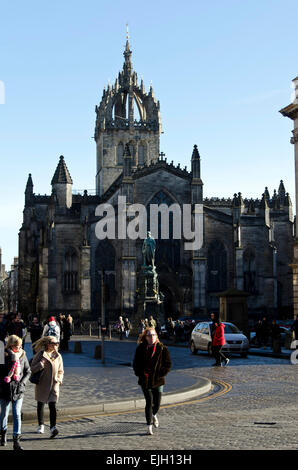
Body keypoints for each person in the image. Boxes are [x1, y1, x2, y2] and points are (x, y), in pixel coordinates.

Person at [133, 327, 172, 435]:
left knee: (157, 404)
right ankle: (149, 426)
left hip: (158, 380)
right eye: (149, 335)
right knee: (149, 401)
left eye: (153, 335)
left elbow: (168, 364)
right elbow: (135, 364)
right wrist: (139, 374)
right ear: (145, 337)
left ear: (156, 336)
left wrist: (160, 373)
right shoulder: (141, 348)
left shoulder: (162, 348)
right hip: (145, 380)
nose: (151, 337)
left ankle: (154, 415)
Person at [0, 335, 31, 450]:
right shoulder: (3, 355)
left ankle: (16, 441)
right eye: (18, 346)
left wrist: (22, 382)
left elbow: (28, 371)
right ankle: (3, 435)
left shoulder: (23, 355)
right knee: (4, 413)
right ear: (11, 346)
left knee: (17, 413)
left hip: (18, 390)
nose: (20, 348)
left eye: (21, 345)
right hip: (5, 389)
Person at [31, 336, 64, 438]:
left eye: (57, 343)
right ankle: (41, 424)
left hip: (54, 385)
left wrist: (59, 380)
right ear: (48, 344)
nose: (56, 345)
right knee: (40, 404)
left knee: (52, 406)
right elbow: (32, 368)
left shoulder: (57, 355)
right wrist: (41, 364)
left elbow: (61, 371)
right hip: (42, 384)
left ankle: (53, 427)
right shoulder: (40, 354)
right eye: (54, 343)